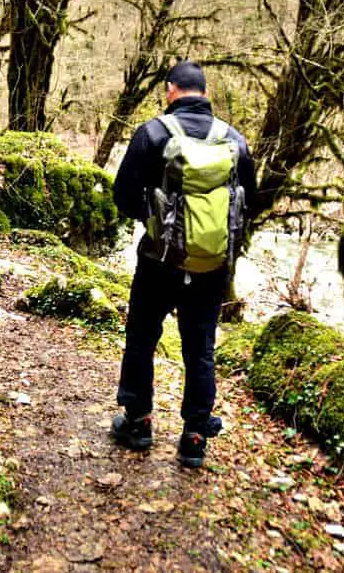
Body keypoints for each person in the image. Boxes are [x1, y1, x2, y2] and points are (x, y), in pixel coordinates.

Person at [110, 59, 256, 468]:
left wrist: (153, 216)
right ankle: (194, 435)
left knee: (142, 336)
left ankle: (138, 421)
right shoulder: (235, 141)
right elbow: (250, 203)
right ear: (205, 94)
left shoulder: (153, 133)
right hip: (210, 268)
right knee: (200, 348)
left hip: (159, 260)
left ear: (171, 90)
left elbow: (122, 196)